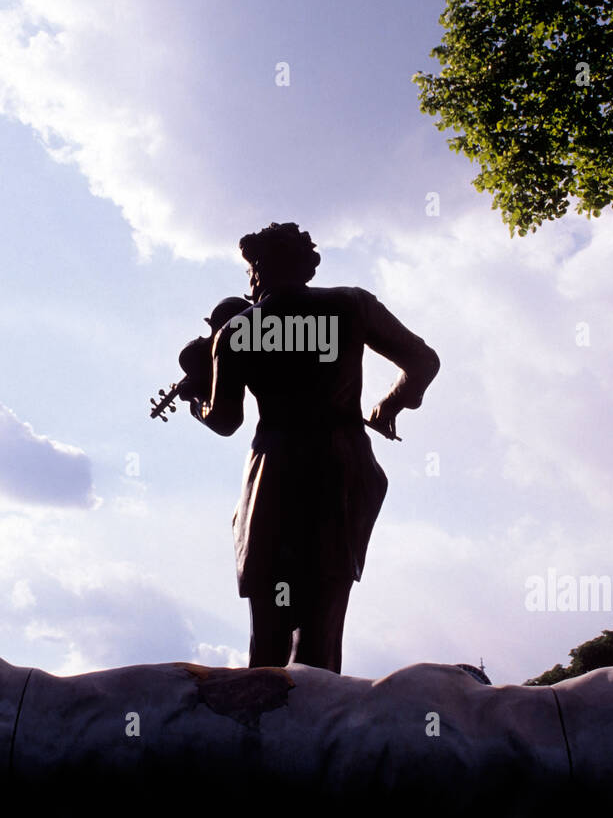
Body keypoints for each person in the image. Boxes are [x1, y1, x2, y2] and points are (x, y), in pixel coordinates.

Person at [186, 223, 439, 673]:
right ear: (307, 266)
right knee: (322, 621)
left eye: (250, 269)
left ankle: (260, 728)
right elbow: (423, 360)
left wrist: (197, 404)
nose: (250, 281)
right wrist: (389, 405)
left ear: (260, 268)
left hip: (277, 469)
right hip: (340, 463)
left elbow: (226, 421)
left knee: (269, 625)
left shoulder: (238, 330)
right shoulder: (351, 305)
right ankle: (318, 730)